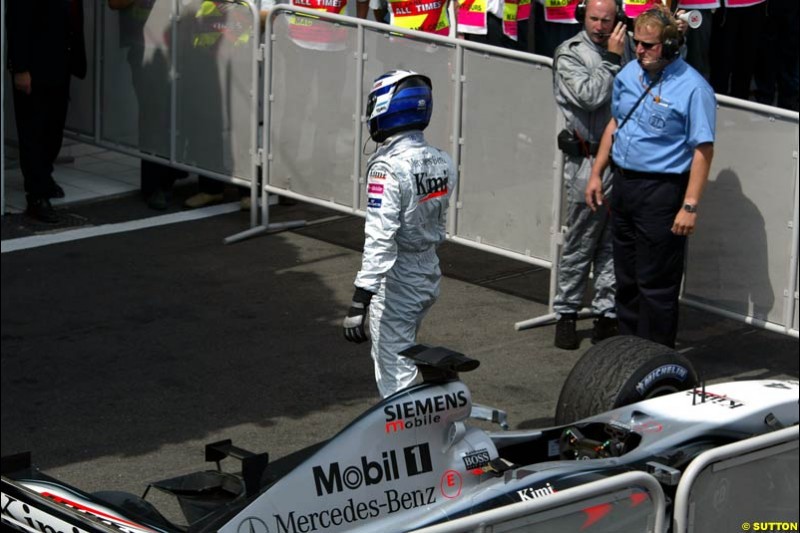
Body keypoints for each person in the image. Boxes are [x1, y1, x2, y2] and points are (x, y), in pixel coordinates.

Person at [586, 6, 715, 348]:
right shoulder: (629, 73)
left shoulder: (693, 88)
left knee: (656, 283)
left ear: (671, 47)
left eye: (649, 45)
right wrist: (597, 172)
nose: (639, 50)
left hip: (661, 190)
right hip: (625, 184)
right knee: (626, 278)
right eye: (637, 43)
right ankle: (628, 351)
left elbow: (703, 149)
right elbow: (615, 123)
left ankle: (655, 356)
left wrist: (690, 205)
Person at [342, 70, 457, 398]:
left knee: (393, 371)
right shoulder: (442, 160)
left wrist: (359, 300)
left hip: (399, 278)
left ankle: (409, 435)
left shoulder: (387, 167)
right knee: (404, 350)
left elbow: (380, 238)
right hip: (429, 270)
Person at [551, 0, 630, 350]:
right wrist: (612, 62)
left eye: (607, 20)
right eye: (594, 19)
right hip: (585, 160)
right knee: (581, 240)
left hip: (622, 160)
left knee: (613, 242)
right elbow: (589, 97)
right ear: (582, 15)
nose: (599, 26)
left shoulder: (629, 48)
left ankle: (605, 314)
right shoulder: (569, 53)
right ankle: (566, 312)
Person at [6, 0, 87, 223]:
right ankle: (36, 195)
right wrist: (20, 68)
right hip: (34, 67)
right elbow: (17, 21)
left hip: (60, 64)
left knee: (54, 127)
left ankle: (44, 178)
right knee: (33, 131)